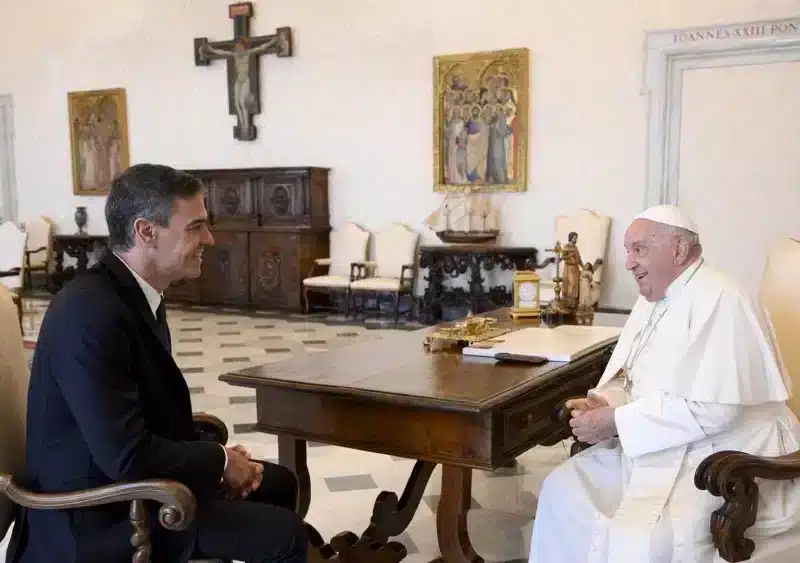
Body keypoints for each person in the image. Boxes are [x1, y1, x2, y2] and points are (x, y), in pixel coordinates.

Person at [8, 164, 308, 563]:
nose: (209, 238)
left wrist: (220, 459)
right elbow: (126, 455)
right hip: (96, 518)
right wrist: (218, 462)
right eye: (195, 227)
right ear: (146, 232)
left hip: (135, 487)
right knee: (284, 537)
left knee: (280, 484)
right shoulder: (90, 312)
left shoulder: (135, 295)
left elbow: (144, 418)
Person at [528, 204, 800, 562]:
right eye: (628, 250)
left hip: (731, 454)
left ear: (678, 249)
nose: (627, 262)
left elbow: (717, 410)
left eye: (638, 249)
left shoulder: (723, 297)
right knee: (561, 489)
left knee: (648, 539)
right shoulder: (654, 297)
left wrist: (615, 422)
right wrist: (605, 402)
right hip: (665, 442)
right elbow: (633, 374)